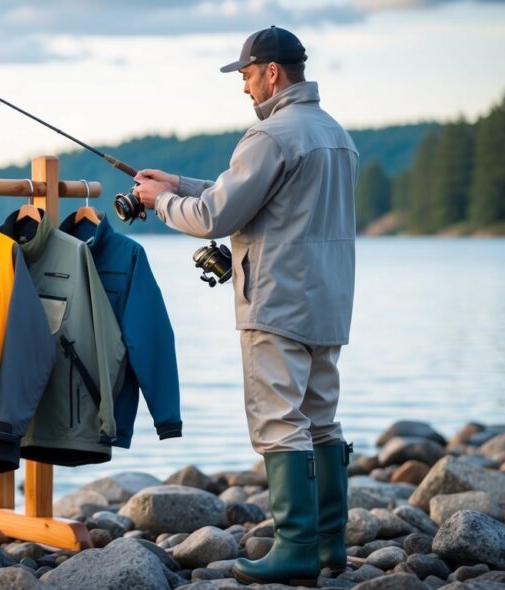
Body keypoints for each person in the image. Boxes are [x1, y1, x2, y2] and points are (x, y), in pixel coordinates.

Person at [132, 26, 358, 586]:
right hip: (327, 302)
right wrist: (179, 181)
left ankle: (296, 549)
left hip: (276, 302)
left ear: (272, 72)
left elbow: (214, 217)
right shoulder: (335, 134)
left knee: (280, 424)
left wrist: (162, 202)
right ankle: (329, 545)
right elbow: (259, 193)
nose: (244, 87)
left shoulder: (270, 136)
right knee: (321, 422)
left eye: (247, 74)